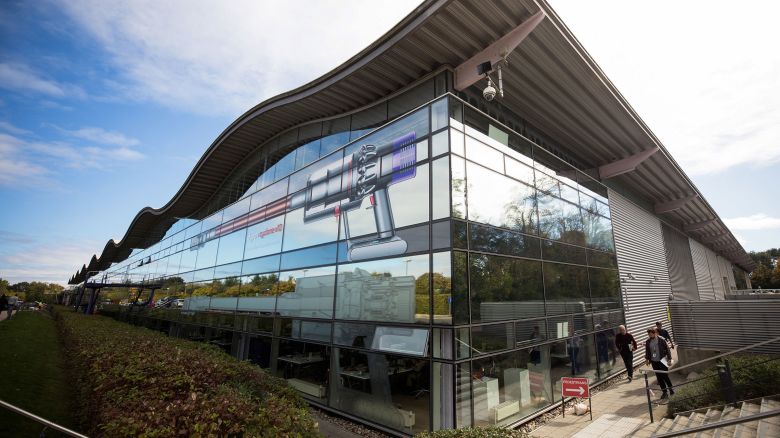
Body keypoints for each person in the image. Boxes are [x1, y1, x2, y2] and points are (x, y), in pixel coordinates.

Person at [645, 327, 674, 399]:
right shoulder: (648, 341)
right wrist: (647, 359)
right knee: (659, 377)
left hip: (662, 360)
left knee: (665, 376)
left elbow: (667, 349)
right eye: (649, 334)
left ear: (654, 333)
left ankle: (671, 389)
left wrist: (670, 358)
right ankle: (664, 392)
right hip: (654, 362)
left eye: (651, 334)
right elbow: (647, 351)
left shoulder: (661, 339)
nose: (650, 336)